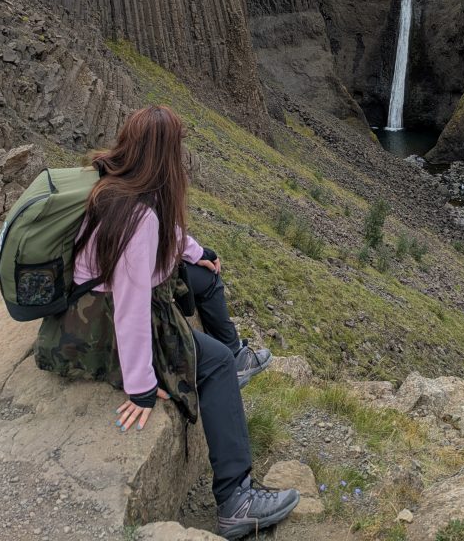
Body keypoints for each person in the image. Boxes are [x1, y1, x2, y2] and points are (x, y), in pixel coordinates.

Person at [33, 105, 299, 540]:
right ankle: (236, 499)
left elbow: (166, 239)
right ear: (164, 155)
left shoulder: (115, 184)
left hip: (102, 297)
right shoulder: (138, 218)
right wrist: (138, 385)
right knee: (212, 365)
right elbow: (132, 306)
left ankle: (236, 353)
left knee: (205, 279)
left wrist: (199, 254)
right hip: (99, 321)